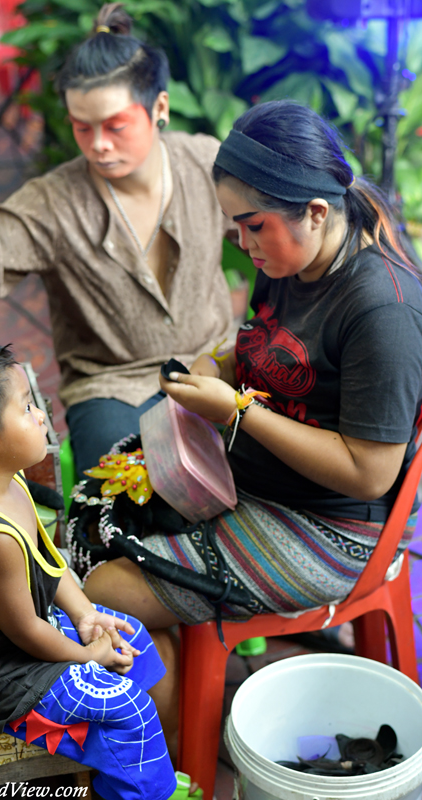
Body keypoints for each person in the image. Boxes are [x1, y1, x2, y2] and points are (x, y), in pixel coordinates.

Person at [81, 99, 422, 735]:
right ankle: (187, 697)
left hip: (333, 526)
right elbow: (260, 345)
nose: (241, 244)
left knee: (95, 594)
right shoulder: (287, 255)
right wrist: (214, 369)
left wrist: (238, 412)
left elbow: (370, 473)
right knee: (90, 514)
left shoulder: (383, 311)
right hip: (258, 475)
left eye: (251, 225)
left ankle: (188, 730)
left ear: (316, 212)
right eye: (233, 227)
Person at [0, 2, 234, 474]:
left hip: (215, 362)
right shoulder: (54, 202)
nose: (98, 145)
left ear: (159, 108)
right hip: (112, 385)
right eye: (81, 127)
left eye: (115, 126)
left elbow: (277, 232)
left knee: (259, 466)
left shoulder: (206, 165)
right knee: (121, 494)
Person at [0, 339, 202, 800]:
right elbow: (25, 633)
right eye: (25, 408)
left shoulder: (2, 475)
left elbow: (48, 562)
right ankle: (143, 787)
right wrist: (89, 657)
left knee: (131, 635)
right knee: (125, 705)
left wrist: (84, 615)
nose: (41, 414)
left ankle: (137, 767)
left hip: (19, 639)